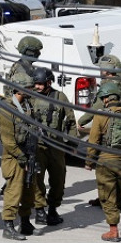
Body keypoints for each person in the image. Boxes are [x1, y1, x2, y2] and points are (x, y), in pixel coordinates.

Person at [85, 80, 121, 241]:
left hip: (106, 160)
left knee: (108, 195)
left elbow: (93, 141)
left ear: (106, 98)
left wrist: (88, 161)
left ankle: (113, 231)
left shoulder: (101, 115)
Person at [24, 65, 77, 227]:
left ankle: (53, 208)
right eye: (36, 84)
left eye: (40, 84)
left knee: (58, 179)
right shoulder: (30, 98)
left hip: (56, 147)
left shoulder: (60, 97)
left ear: (48, 83)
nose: (37, 87)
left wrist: (72, 143)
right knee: (37, 180)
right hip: (37, 146)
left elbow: (71, 121)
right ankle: (40, 210)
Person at [0, 70, 38, 241]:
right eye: (28, 88)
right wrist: (21, 157)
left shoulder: (27, 106)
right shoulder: (7, 109)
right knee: (14, 191)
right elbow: (8, 140)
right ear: (19, 90)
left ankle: (25, 221)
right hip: (15, 157)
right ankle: (8, 226)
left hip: (29, 154)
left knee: (29, 190)